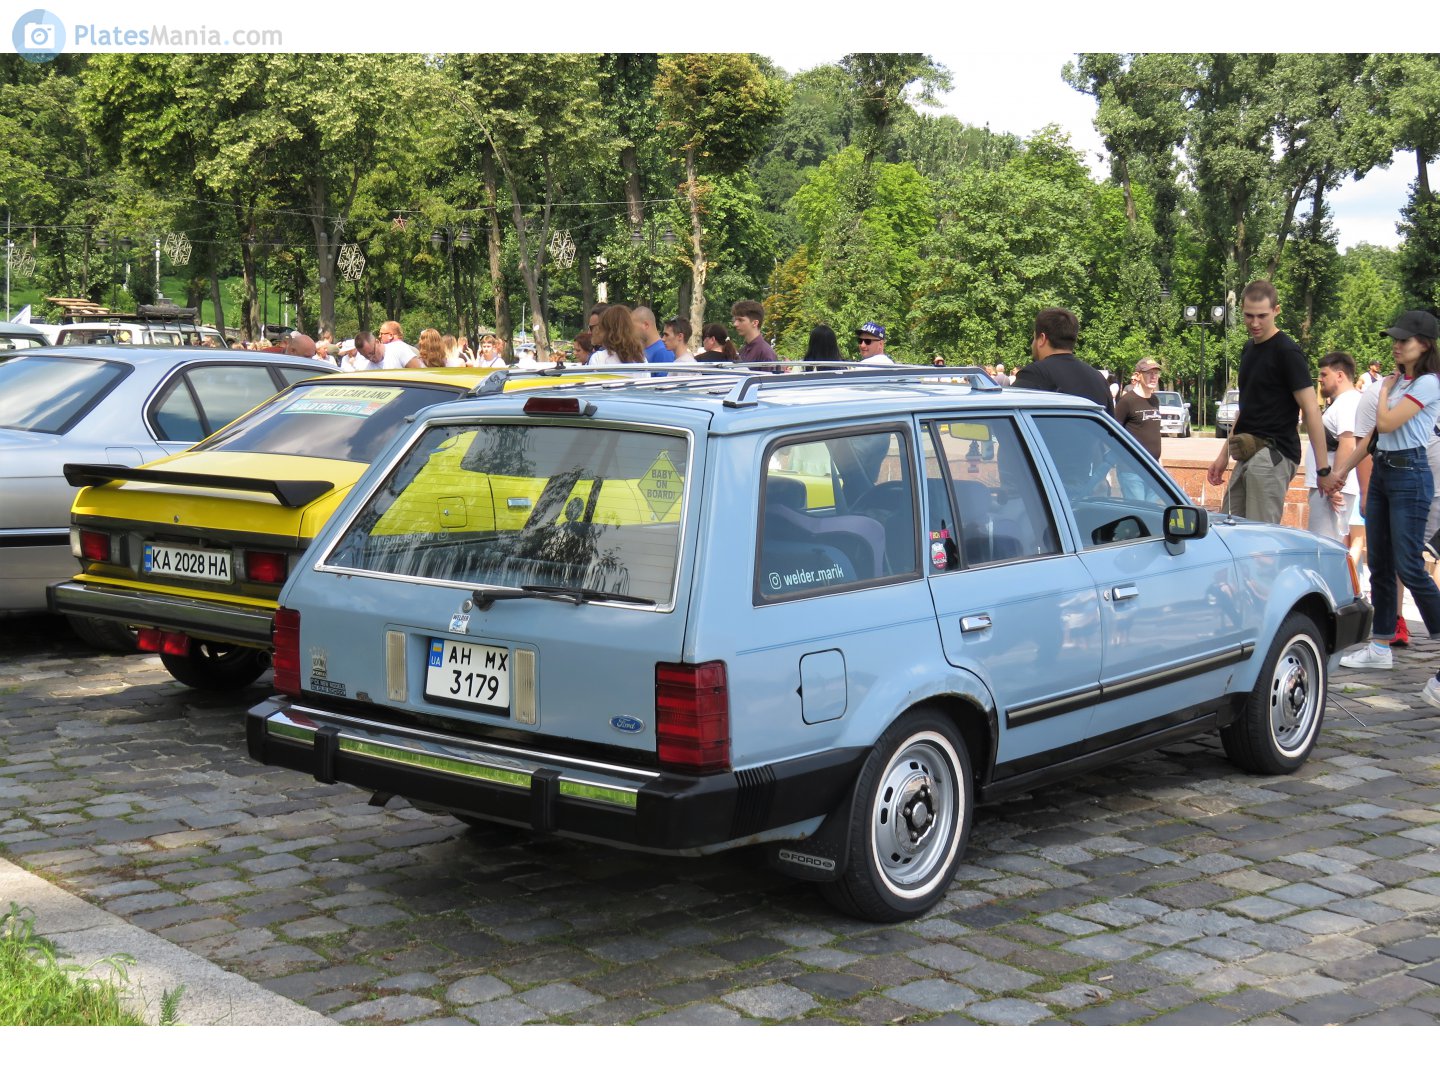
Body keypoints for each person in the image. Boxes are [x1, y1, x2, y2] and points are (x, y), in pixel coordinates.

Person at [1324, 310, 1440, 705]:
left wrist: (1386, 387)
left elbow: (1388, 423)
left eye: (1404, 340)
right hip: (1387, 473)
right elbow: (1373, 438)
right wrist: (1340, 472)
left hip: (1411, 475)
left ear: (1423, 344)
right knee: (1382, 562)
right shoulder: (1398, 382)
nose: (1395, 344)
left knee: (1409, 564)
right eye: (1394, 338)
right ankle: (1381, 645)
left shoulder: (1427, 383)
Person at [1206, 281, 1328, 523]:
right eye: (1248, 315)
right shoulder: (1248, 349)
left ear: (1276, 310)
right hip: (1247, 449)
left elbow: (1311, 409)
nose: (1254, 323)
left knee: (1259, 538)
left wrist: (1323, 469)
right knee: (1230, 529)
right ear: (1241, 309)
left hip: (1275, 452)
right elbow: (1246, 408)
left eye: (1262, 316)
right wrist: (1223, 454)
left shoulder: (1287, 352)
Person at [1012, 307, 1113, 415]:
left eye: (1034, 338)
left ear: (1042, 339)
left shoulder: (1034, 374)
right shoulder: (1098, 379)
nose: (1032, 344)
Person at [1305, 352, 1362, 543]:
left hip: (1331, 490)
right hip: (1329, 487)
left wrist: (1334, 486)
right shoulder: (1343, 402)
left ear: (1340, 375)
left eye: (1324, 374)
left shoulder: (1348, 402)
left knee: (1325, 547)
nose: (1320, 380)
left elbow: (1348, 443)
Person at [1114, 357, 1163, 460]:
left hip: (1153, 466)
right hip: (1132, 469)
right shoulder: (1127, 401)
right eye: (1149, 373)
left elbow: (1155, 434)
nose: (1153, 377)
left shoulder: (1154, 400)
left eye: (1156, 373)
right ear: (1137, 376)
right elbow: (1114, 433)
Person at [731, 299, 779, 365]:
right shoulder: (743, 351)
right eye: (735, 320)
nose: (735, 324)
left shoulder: (766, 353)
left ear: (755, 323)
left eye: (740, 320)